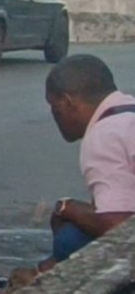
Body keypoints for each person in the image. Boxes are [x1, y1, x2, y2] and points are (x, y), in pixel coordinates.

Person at [13, 55, 135, 286]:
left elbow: (118, 227)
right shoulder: (128, 114)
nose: (53, 116)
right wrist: (42, 271)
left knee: (69, 238)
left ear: (68, 102)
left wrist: (69, 208)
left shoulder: (104, 136)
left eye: (54, 106)